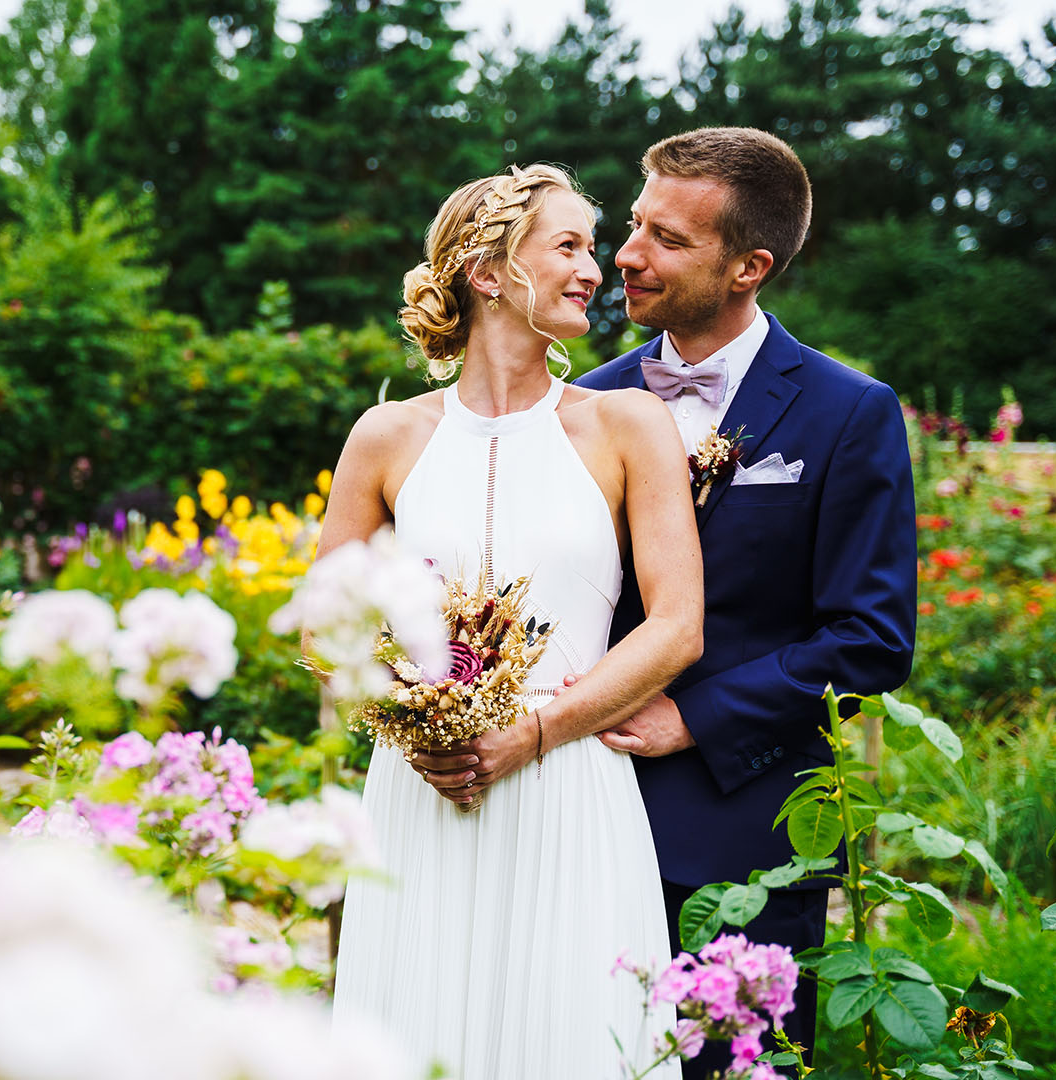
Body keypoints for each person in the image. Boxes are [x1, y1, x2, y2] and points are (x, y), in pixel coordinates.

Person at [320, 163, 703, 1079]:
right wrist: (416, 724)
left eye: (590, 247)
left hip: (572, 784)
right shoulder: (386, 437)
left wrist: (533, 733)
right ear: (489, 272)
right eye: (568, 246)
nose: (595, 269)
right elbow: (325, 622)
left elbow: (678, 626)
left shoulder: (628, 425)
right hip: (422, 793)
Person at [575, 127, 918, 1073]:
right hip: (575, 818)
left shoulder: (849, 413)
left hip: (743, 841)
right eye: (635, 224)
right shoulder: (582, 404)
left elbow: (872, 639)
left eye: (669, 239)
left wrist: (697, 718)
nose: (628, 255)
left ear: (748, 266)